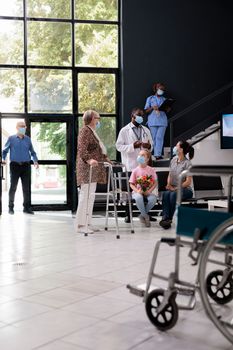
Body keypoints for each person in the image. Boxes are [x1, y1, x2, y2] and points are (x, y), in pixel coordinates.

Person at [76, 110, 110, 234]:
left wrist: (106, 158)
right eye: (97, 118)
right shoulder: (85, 130)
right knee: (85, 196)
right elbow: (81, 148)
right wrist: (89, 159)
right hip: (86, 169)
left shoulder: (92, 131)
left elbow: (98, 149)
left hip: (94, 169)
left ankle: (88, 222)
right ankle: (80, 225)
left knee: (90, 197)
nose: (99, 120)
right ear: (91, 119)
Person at [2, 120, 39, 215]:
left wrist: (35, 160)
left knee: (26, 188)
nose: (23, 128)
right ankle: (11, 208)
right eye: (21, 126)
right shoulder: (11, 138)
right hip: (14, 166)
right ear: (17, 127)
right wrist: (3, 159)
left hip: (26, 166)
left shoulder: (28, 139)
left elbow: (32, 152)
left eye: (24, 126)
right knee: (13, 187)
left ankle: (26, 208)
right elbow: (4, 151)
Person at [159, 140, 194, 229]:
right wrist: (168, 184)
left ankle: (168, 219)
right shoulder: (173, 160)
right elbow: (170, 174)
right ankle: (165, 218)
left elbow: (188, 182)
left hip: (185, 189)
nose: (175, 147)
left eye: (177, 145)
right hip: (174, 188)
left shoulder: (188, 163)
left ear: (181, 149)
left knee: (173, 195)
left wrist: (176, 188)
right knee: (166, 194)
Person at [129, 150, 157, 227]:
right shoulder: (135, 170)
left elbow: (155, 182)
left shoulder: (151, 170)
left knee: (153, 199)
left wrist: (149, 191)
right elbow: (131, 184)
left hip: (147, 192)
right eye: (139, 155)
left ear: (147, 159)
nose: (140, 157)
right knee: (138, 198)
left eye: (143, 155)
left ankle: (142, 215)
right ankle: (146, 216)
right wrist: (137, 191)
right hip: (137, 192)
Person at [144, 82, 170, 160]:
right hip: (153, 121)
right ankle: (152, 154)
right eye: (160, 89)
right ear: (156, 89)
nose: (161, 90)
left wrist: (168, 109)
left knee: (160, 137)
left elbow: (167, 110)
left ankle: (157, 155)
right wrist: (152, 107)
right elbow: (146, 110)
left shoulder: (164, 99)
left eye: (163, 89)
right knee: (154, 138)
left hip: (162, 121)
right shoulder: (150, 98)